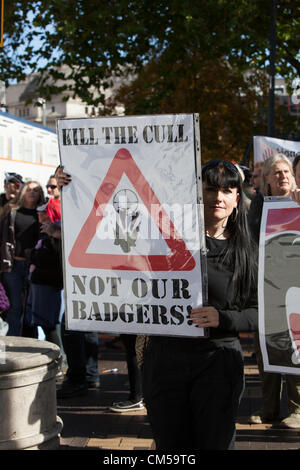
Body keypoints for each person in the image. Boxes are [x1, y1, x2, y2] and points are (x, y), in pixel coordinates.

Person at [141, 159, 258, 450]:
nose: (218, 197)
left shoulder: (248, 250)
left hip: (218, 363)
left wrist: (224, 318)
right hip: (166, 358)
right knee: (171, 446)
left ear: (236, 199)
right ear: (197, 193)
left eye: (227, 190)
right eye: (210, 189)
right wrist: (73, 184)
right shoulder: (165, 238)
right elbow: (112, 216)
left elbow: (259, 313)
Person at [248, 153, 300, 429]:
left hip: (296, 290)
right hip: (267, 291)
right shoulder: (258, 208)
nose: (282, 177)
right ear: (266, 180)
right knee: (265, 351)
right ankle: (269, 409)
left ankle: (297, 408)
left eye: (286, 172)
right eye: (276, 173)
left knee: (295, 347)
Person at [0, 181, 44, 336]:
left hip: (36, 267)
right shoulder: (12, 212)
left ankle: (30, 343)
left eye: (36, 190)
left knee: (32, 307)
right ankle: (12, 343)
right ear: (23, 192)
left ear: (40, 194)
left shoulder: (43, 214)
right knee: (15, 306)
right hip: (13, 265)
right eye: (29, 189)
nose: (32, 193)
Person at [25, 199, 63, 347]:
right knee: (43, 323)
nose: (39, 214)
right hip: (40, 282)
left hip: (49, 284)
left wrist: (32, 255)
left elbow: (51, 258)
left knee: (48, 324)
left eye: (43, 212)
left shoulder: (56, 232)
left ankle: (58, 358)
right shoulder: (45, 231)